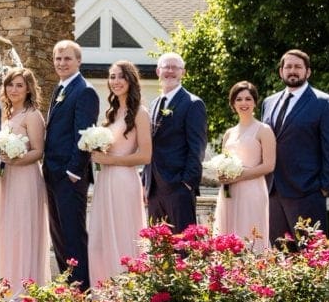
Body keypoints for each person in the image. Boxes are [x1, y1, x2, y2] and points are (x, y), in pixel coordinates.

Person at [261, 49, 329, 244]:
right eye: (288, 66)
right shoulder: (268, 103)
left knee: (311, 255)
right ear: (281, 71)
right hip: (273, 192)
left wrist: (324, 188)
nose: (292, 71)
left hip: (307, 192)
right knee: (280, 257)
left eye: (298, 67)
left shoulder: (325, 103)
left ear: (308, 72)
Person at [88, 61, 151, 287]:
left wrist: (110, 160)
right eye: (112, 77)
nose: (115, 81)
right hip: (105, 180)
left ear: (130, 80)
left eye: (120, 77)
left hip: (124, 180)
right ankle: (103, 290)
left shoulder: (140, 113)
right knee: (99, 238)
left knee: (124, 234)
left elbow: (145, 156)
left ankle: (126, 290)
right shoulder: (112, 112)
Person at [42, 40, 100, 288]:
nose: (61, 63)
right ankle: (67, 288)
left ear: (78, 61)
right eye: (58, 58)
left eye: (67, 58)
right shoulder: (60, 89)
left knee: (73, 235)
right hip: (52, 173)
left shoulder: (85, 90)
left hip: (69, 176)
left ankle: (81, 290)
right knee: (59, 236)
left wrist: (74, 172)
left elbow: (84, 134)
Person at [0, 67, 50, 299]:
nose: (13, 89)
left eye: (19, 85)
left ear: (28, 90)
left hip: (25, 176)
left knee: (23, 228)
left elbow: (38, 151)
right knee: (8, 227)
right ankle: (6, 283)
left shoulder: (32, 115)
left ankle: (24, 287)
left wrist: (17, 159)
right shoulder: (6, 114)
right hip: (6, 177)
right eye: (10, 85)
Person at [142, 52, 207, 233]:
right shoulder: (154, 103)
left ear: (183, 72)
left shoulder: (193, 103)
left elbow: (197, 148)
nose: (170, 71)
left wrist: (187, 183)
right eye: (166, 67)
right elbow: (150, 146)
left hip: (179, 188)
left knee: (183, 247)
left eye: (175, 68)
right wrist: (145, 182)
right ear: (158, 71)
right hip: (154, 189)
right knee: (158, 248)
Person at [213, 81, 276, 252]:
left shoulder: (264, 130)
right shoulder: (229, 134)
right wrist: (222, 176)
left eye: (248, 99)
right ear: (233, 103)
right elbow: (224, 162)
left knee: (249, 233)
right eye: (239, 99)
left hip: (252, 190)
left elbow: (269, 165)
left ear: (255, 102)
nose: (244, 103)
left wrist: (240, 176)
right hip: (229, 192)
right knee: (227, 234)